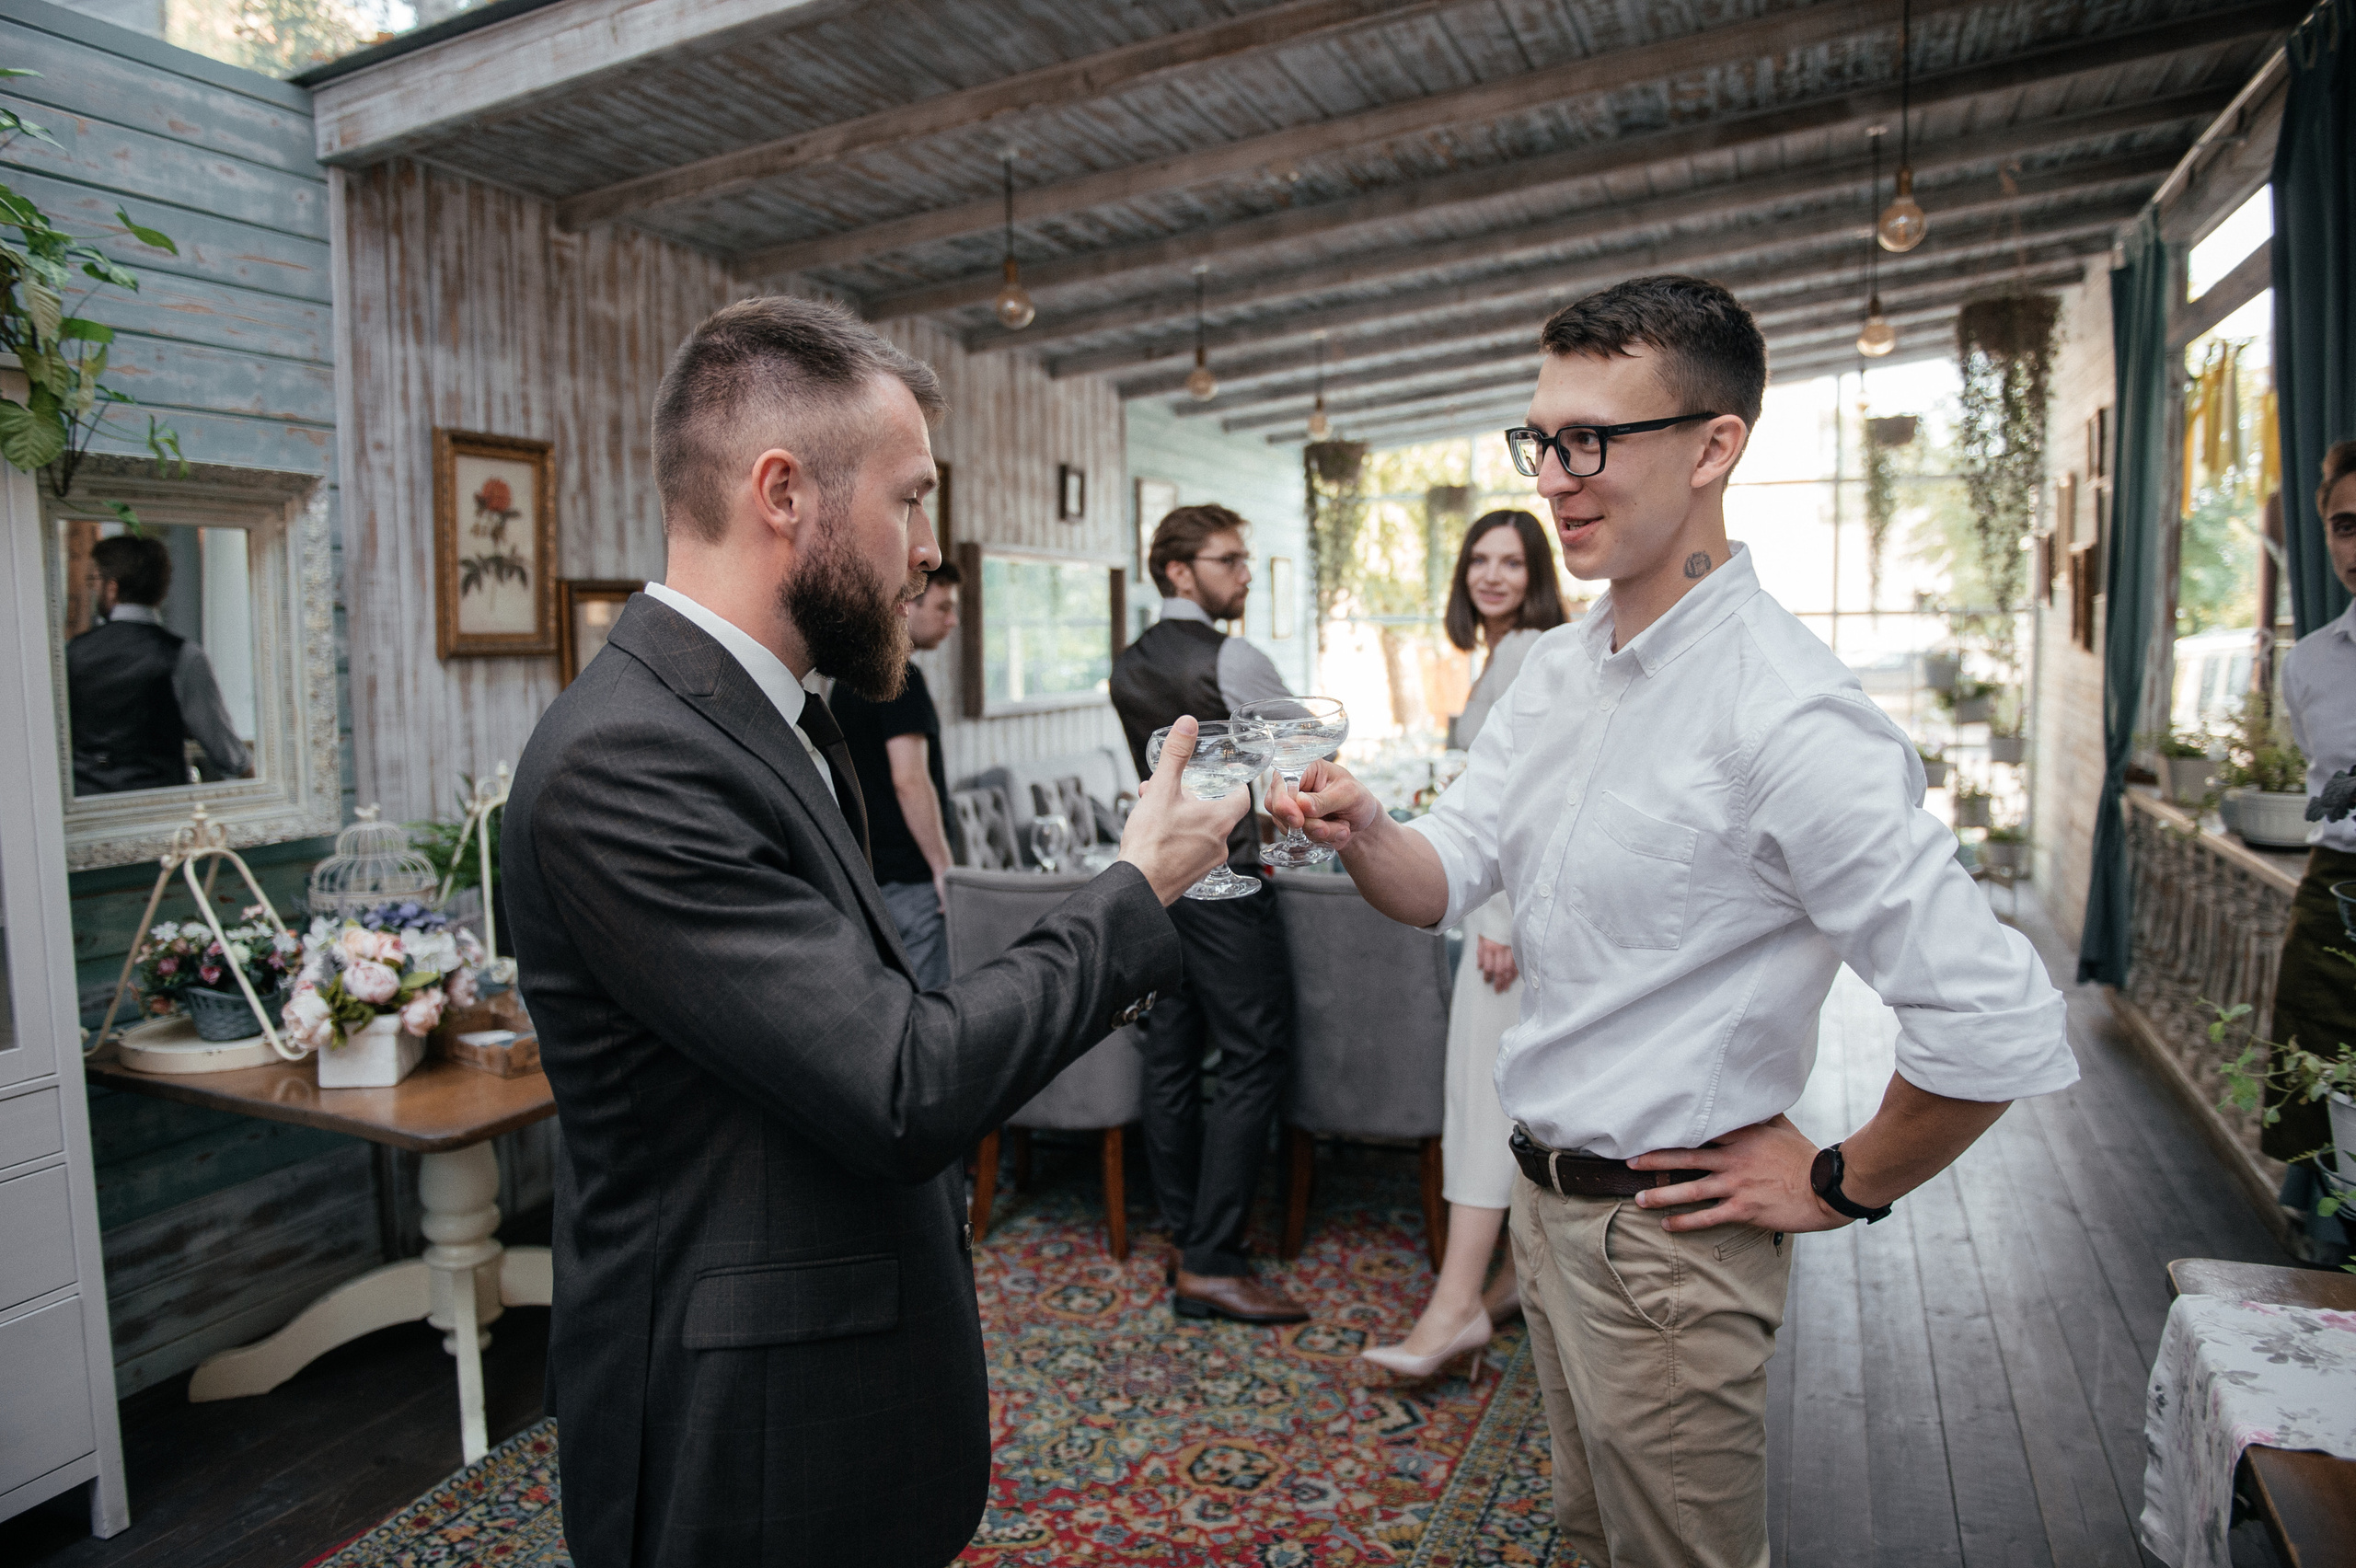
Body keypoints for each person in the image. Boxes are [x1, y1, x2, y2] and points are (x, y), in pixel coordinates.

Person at [1271, 274, 2078, 1568]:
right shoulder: (1558, 671)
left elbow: (1991, 1016)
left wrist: (1839, 1181)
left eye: (1593, 440)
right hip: (1544, 1214)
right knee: (1592, 1543)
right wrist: (1367, 827)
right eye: (1541, 439)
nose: (1554, 478)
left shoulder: (1788, 713)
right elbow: (1448, 870)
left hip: (1668, 1249)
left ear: (1715, 448)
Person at [501, 296, 1246, 1568]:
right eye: (910, 501)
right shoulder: (629, 756)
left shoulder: (773, 714)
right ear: (783, 492)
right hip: (739, 1441)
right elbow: (901, 1080)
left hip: (832, 1384)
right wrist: (1134, 890)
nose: (923, 550)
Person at [1362, 508, 1565, 1380]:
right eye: (1479, 560)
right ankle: (1514, 1278)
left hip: (1507, 924)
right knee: (1509, 1100)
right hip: (1504, 913)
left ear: (1535, 574)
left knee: (1482, 1104)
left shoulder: (1529, 653)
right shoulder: (1503, 653)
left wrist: (1500, 922)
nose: (1491, 575)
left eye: (1510, 562)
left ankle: (1454, 1310)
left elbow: (1537, 800)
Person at [1108, 502, 1306, 1323]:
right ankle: (1213, 1261)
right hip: (1226, 878)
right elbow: (1308, 751)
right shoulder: (1236, 658)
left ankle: (1186, 1226)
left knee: (1172, 1049)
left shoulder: (1125, 665)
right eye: (1230, 561)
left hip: (1155, 879)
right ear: (1182, 572)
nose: (1246, 575)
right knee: (1256, 1050)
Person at [2269, 437, 2356, 1244]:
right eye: (2345, 526)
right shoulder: (2309, 664)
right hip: (2337, 882)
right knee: (2316, 1068)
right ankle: (2326, 1246)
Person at [834, 557, 961, 989]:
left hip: (869, 880)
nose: (953, 621)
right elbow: (910, 782)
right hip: (913, 881)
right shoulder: (901, 677)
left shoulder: (848, 679)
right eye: (943, 607)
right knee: (930, 1014)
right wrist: (944, 870)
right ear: (907, 605)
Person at [66, 533, 250, 793]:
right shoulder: (183, 656)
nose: (94, 588)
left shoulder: (72, 652)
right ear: (162, 590)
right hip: (160, 813)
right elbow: (227, 754)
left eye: (95, 580)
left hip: (87, 812)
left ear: (112, 587)